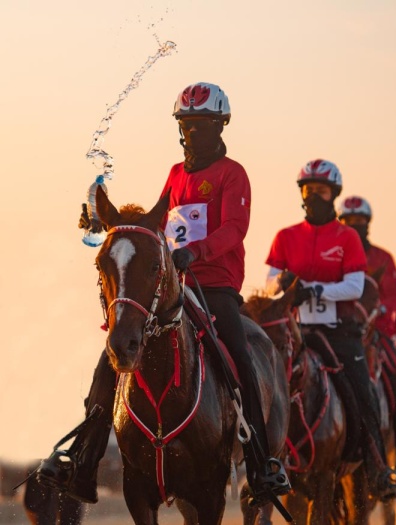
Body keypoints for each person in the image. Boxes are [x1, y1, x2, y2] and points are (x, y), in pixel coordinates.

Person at [37, 82, 291, 505]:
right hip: (173, 288)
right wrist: (102, 223)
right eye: (188, 125)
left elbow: (234, 229)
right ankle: (83, 461)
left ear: (221, 125)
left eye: (204, 125)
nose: (195, 133)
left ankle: (262, 462)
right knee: (111, 358)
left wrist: (197, 251)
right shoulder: (175, 174)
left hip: (217, 288)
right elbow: (152, 223)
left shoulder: (233, 174)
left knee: (241, 356)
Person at [265, 159, 396, 501]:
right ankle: (258, 466)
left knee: (363, 391)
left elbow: (355, 286)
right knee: (259, 383)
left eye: (321, 190)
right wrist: (280, 283)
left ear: (333, 195)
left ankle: (376, 467)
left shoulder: (347, 238)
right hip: (297, 332)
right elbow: (268, 282)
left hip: (339, 334)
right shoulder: (285, 236)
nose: (314, 196)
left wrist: (315, 289)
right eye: (308, 190)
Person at [337, 196, 396, 483]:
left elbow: (392, 298)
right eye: (349, 222)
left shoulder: (383, 258)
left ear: (368, 223)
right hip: (337, 329)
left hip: (376, 332)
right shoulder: (333, 253)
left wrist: (374, 314)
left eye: (360, 222)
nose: (355, 226)